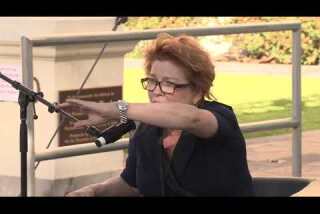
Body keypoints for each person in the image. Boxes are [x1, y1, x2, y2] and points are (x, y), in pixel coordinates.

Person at [61, 33, 254, 197]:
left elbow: (189, 118)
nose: (156, 91)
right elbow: (130, 182)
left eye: (169, 83)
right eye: (152, 81)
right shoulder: (147, 130)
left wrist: (117, 109)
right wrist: (94, 191)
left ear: (197, 92)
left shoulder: (218, 118)